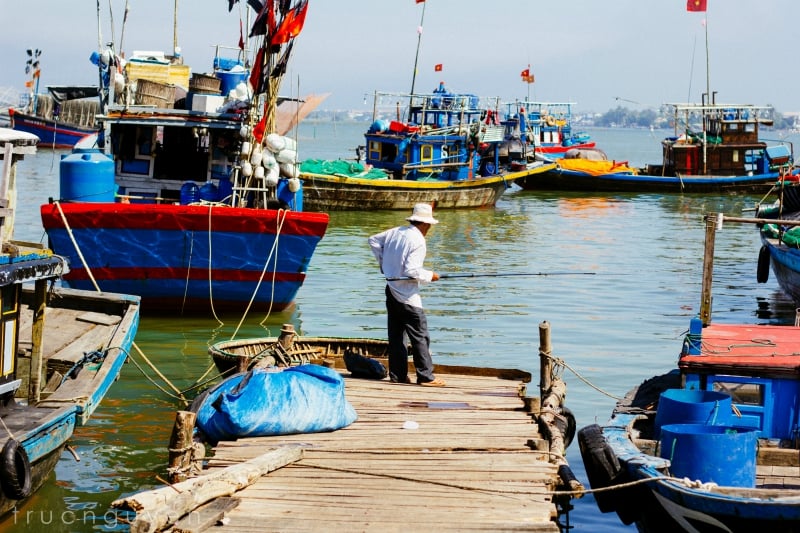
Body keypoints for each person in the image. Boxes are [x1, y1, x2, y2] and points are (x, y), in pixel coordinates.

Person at [368, 203, 446, 387]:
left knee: (396, 336)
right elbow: (412, 270)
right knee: (420, 335)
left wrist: (383, 264)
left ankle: (398, 375)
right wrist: (430, 276)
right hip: (407, 295)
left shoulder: (396, 232)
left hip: (391, 288)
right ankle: (426, 376)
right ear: (425, 224)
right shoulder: (418, 240)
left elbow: (373, 240)